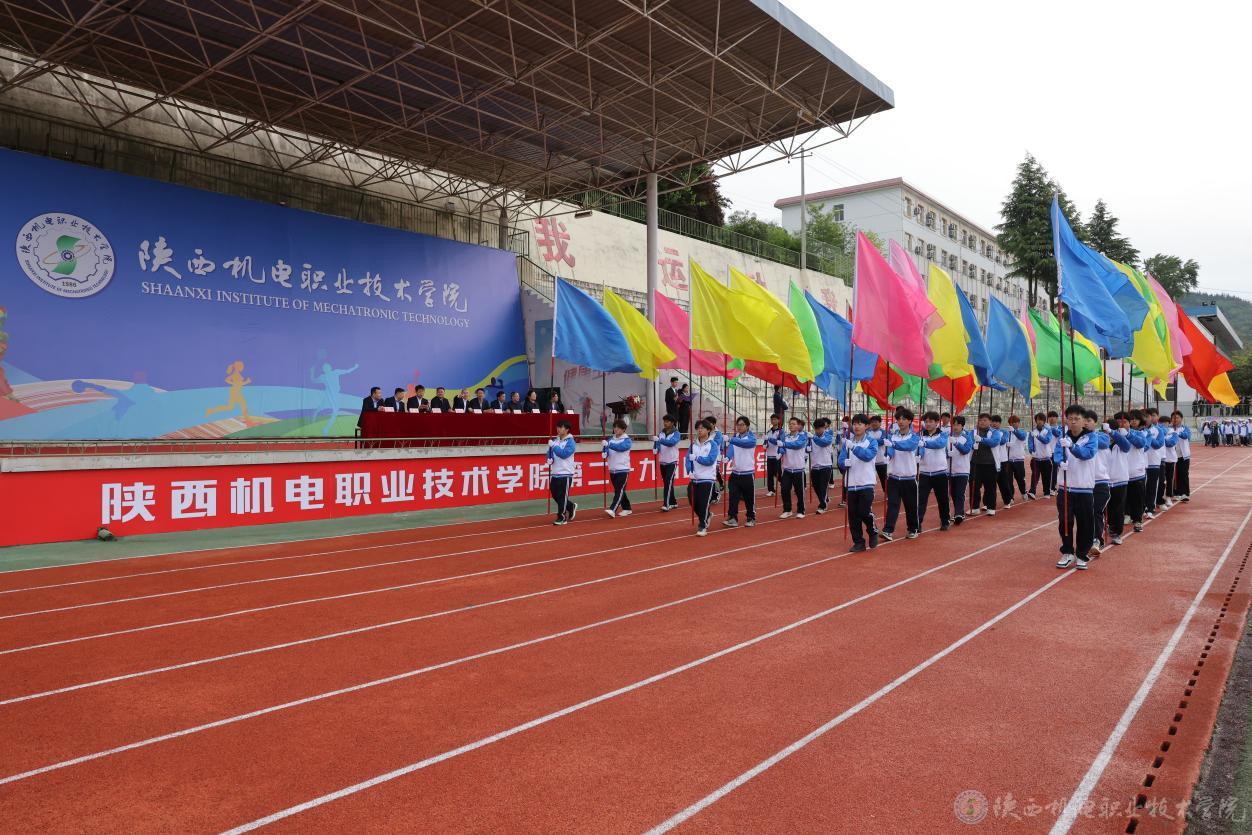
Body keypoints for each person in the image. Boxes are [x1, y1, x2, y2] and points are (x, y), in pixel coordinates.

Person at [1054, 404, 1098, 570]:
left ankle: (1081, 554)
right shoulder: (1062, 438)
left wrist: (1072, 446)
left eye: (1076, 419)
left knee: (1085, 523)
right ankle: (1067, 552)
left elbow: (1087, 454)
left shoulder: (1091, 438)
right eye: (1070, 418)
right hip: (1065, 487)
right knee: (1065, 521)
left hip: (1084, 487)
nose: (1073, 422)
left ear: (1084, 421)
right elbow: (1057, 454)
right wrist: (1060, 462)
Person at [839, 413, 880, 552]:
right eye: (855, 424)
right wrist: (844, 463)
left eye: (860, 424)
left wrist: (854, 448)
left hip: (866, 482)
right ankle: (858, 542)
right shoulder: (847, 442)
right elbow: (841, 460)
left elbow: (868, 456)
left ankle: (872, 530)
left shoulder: (871, 441)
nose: (856, 426)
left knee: (864, 511)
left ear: (867, 426)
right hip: (851, 483)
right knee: (853, 514)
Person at [881, 407, 921, 540]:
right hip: (893, 477)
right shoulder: (892, 436)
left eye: (904, 419)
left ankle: (913, 529)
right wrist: (888, 455)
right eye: (898, 419)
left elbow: (909, 446)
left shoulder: (914, 437)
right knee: (892, 504)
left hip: (909, 478)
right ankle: (888, 530)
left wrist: (893, 444)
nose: (900, 421)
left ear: (910, 421)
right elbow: (890, 450)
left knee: (911, 506)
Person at [916, 410, 951, 532]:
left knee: (942, 499)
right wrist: (918, 454)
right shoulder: (919, 435)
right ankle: (918, 523)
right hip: (924, 472)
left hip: (939, 472)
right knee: (921, 500)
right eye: (926, 421)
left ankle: (945, 520)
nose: (928, 424)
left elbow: (939, 444)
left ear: (937, 422)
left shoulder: (943, 435)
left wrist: (924, 443)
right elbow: (917, 448)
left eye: (930, 421)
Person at [685, 421, 721, 536]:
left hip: (707, 478)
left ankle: (702, 526)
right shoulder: (693, 445)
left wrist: (697, 458)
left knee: (704, 503)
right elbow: (687, 459)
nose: (699, 430)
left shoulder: (712, 444)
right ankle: (707, 515)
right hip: (694, 478)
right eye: (698, 428)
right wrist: (689, 471)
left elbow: (710, 460)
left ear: (708, 430)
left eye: (702, 428)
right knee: (692, 501)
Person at [724, 416, 758, 527]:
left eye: (742, 425)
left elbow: (744, 444)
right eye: (738, 425)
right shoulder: (735, 437)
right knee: (733, 497)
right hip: (735, 473)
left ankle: (751, 517)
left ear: (747, 426)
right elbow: (731, 448)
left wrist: (731, 439)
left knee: (749, 498)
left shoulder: (752, 438)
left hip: (747, 473)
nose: (739, 427)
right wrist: (727, 457)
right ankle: (733, 518)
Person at [1086, 410, 1112, 554]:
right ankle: (1087, 539)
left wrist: (1088, 435)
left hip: (1100, 481)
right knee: (1086, 513)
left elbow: (1103, 443)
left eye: (1089, 420)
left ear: (1095, 423)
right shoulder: (1078, 438)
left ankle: (1097, 539)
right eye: (1084, 420)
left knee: (1096, 511)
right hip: (1085, 482)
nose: (1086, 423)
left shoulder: (1102, 436)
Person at [1105, 411, 1132, 547]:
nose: (1108, 435)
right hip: (1104, 480)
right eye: (1105, 432)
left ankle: (1116, 533)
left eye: (1109, 432)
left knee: (1118, 508)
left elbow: (1127, 447)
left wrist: (1113, 433)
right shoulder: (1102, 442)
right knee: (1104, 508)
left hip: (1120, 479)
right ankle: (1102, 530)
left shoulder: (1122, 442)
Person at [968, 412, 1002, 516]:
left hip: (990, 464)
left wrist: (982, 440)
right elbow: (968, 442)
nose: (982, 422)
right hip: (975, 463)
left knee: (990, 487)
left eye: (984, 420)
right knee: (974, 486)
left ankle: (991, 507)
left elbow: (994, 442)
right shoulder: (973, 432)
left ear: (990, 422)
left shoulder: (995, 432)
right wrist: (973, 444)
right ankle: (974, 507)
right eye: (980, 420)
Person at [547, 420, 578, 525]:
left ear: (567, 429)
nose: (558, 429)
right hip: (555, 472)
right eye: (558, 427)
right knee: (555, 495)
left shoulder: (570, 442)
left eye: (561, 427)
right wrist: (549, 458)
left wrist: (554, 446)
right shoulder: (555, 440)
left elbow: (564, 454)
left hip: (566, 472)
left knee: (562, 496)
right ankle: (571, 506)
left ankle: (562, 517)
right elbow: (549, 452)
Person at [1124, 410, 1149, 533]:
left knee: (1137, 498)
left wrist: (1128, 435)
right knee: (1124, 498)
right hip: (1123, 473)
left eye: (1135, 419)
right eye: (1131, 419)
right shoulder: (1118, 433)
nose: (1133, 421)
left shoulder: (1140, 433)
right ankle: (1126, 514)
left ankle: (1137, 520)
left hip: (1137, 472)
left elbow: (1141, 444)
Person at [779, 416, 809, 519]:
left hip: (798, 469)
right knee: (784, 490)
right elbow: (782, 448)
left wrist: (784, 444)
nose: (791, 425)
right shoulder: (785, 437)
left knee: (799, 491)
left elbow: (797, 445)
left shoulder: (802, 437)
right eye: (790, 424)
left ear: (798, 425)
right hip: (787, 469)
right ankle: (787, 510)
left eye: (794, 424)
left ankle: (801, 510)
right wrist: (780, 451)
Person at [602, 419, 633, 517]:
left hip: (623, 468)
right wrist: (604, 452)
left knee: (619, 490)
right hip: (612, 468)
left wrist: (609, 444)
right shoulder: (610, 439)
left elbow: (621, 448)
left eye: (618, 428)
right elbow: (606, 449)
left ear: (624, 429)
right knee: (619, 490)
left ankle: (613, 509)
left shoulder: (627, 440)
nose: (616, 429)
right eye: (615, 427)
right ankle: (627, 508)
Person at [947, 415, 974, 525]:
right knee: (953, 493)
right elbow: (942, 452)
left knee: (959, 492)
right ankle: (960, 512)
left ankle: (958, 514)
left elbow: (965, 450)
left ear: (962, 426)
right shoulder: (947, 437)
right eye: (953, 424)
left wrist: (956, 443)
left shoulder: (967, 438)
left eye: (958, 424)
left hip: (962, 470)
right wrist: (947, 454)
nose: (955, 427)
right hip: (950, 470)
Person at [653, 414, 681, 511]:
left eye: (667, 421)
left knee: (668, 482)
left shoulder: (676, 433)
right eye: (664, 421)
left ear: (672, 423)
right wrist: (656, 448)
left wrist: (660, 440)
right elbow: (657, 444)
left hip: (672, 461)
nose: (665, 423)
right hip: (662, 461)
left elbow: (671, 443)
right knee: (667, 483)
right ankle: (673, 502)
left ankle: (666, 503)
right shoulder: (661, 433)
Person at [808, 417, 836, 514]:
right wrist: (807, 448)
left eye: (820, 428)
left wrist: (813, 438)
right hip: (814, 466)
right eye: (816, 428)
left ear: (824, 428)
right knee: (816, 487)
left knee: (823, 487)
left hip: (826, 466)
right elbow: (807, 448)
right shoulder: (811, 437)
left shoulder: (828, 436)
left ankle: (822, 506)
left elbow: (823, 443)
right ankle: (825, 498)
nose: (818, 430)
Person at [1143, 407, 1165, 517]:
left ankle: (1150, 508)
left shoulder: (1158, 430)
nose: (1147, 418)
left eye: (1149, 416)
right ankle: (1142, 507)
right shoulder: (1138, 430)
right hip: (1141, 462)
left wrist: (1149, 437)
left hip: (1153, 462)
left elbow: (1158, 445)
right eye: (1145, 416)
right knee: (1142, 487)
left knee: (1152, 486)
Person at [1027, 412, 1054, 499]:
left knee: (1046, 477)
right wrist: (1031, 450)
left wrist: (1038, 436)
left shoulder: (1048, 431)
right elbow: (1030, 442)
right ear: (1035, 421)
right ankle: (1032, 491)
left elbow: (1046, 440)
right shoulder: (1032, 431)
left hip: (1046, 458)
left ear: (1044, 421)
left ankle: (1047, 492)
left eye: (1041, 420)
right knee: (1035, 476)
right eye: (1038, 420)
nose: (1039, 421)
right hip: (1036, 458)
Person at [990, 415, 1014, 507]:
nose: (994, 423)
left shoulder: (1004, 432)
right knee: (990, 483)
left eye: (997, 422)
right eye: (993, 421)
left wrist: (993, 439)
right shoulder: (988, 432)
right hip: (992, 460)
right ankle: (988, 502)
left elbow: (1003, 441)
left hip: (1002, 460)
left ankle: (1007, 500)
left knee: (1003, 481)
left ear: (1000, 423)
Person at [1005, 415, 1029, 501]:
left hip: (1018, 459)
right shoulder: (1006, 433)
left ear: (1019, 423)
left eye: (1016, 422)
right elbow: (1002, 441)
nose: (1014, 424)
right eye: (1012, 422)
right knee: (1008, 480)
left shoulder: (1022, 432)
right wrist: (1006, 444)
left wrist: (1014, 431)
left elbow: (1022, 437)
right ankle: (1010, 497)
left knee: (1020, 478)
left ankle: (1023, 492)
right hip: (1008, 460)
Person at [1171, 411, 1192, 501]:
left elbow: (1186, 436)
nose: (1175, 419)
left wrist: (1177, 433)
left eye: (1177, 417)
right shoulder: (1169, 428)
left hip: (1184, 456)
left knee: (1184, 474)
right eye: (1173, 418)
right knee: (1174, 475)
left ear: (1181, 419)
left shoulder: (1185, 428)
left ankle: (1184, 493)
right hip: (1172, 456)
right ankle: (1175, 493)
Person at [764, 413, 784, 496]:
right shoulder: (768, 431)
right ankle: (771, 490)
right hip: (769, 455)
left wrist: (769, 439)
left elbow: (779, 442)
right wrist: (765, 444)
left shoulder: (781, 431)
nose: (773, 421)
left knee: (778, 473)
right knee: (770, 474)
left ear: (778, 420)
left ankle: (784, 484)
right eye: (772, 419)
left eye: (775, 419)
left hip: (777, 456)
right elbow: (766, 441)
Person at [867, 415, 889, 490]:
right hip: (870, 461)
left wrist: (871, 441)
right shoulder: (867, 432)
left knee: (884, 480)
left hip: (881, 460)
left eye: (876, 422)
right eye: (872, 422)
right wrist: (876, 441)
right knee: (869, 480)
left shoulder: (884, 432)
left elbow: (882, 441)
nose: (874, 423)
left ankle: (886, 492)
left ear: (880, 423)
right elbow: (866, 441)